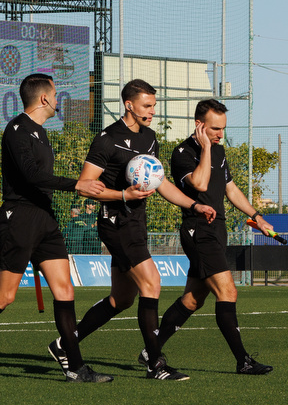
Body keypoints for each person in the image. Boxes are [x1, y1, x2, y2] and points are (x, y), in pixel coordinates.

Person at [0, 74, 109, 382]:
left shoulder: (41, 133)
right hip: (20, 219)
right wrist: (77, 185)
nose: (58, 99)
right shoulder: (16, 130)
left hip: (45, 220)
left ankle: (76, 367)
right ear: (43, 99)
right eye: (56, 94)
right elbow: (31, 175)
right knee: (5, 296)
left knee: (65, 290)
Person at [68, 79, 214, 381]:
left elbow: (159, 182)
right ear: (129, 105)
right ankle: (155, 364)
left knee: (121, 299)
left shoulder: (149, 137)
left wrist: (193, 205)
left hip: (136, 223)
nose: (152, 111)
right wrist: (123, 195)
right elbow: (85, 187)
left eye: (154, 106)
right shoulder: (107, 139)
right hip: (114, 223)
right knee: (152, 283)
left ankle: (65, 344)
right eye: (147, 106)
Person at [148, 100, 274, 374]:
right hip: (198, 231)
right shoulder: (182, 153)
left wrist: (257, 216)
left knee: (193, 300)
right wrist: (205, 148)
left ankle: (152, 348)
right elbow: (201, 184)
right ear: (199, 125)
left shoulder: (219, 150)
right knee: (228, 290)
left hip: (217, 231)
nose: (220, 134)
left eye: (223, 129)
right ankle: (243, 361)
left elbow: (230, 189)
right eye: (215, 129)